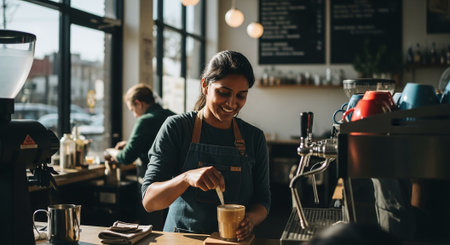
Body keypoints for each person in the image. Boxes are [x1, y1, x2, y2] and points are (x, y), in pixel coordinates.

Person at [141, 50, 271, 239]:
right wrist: (186, 178)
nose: (232, 103)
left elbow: (263, 201)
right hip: (182, 241)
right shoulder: (177, 127)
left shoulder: (254, 137)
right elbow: (149, 201)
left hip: (232, 242)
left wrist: (250, 219)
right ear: (205, 85)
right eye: (223, 93)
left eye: (241, 95)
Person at [104, 83, 175, 226]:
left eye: (132, 109)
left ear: (139, 103)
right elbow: (154, 142)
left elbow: (126, 157)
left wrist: (112, 151)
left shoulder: (145, 120)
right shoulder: (171, 116)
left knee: (150, 227)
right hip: (174, 182)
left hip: (153, 181)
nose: (134, 114)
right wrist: (129, 143)